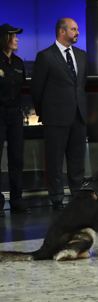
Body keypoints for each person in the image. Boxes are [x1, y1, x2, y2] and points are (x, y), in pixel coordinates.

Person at [31, 18, 88, 211]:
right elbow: (37, 90)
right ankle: (56, 199)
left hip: (79, 116)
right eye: (74, 29)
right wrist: (45, 113)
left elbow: (81, 85)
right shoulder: (45, 56)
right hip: (55, 117)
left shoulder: (81, 55)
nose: (77, 32)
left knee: (77, 159)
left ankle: (78, 196)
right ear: (62, 32)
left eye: (77, 29)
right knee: (55, 161)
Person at [0, 24, 30, 216]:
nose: (17, 39)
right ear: (4, 38)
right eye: (14, 36)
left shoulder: (19, 63)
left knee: (17, 158)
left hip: (15, 115)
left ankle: (17, 199)